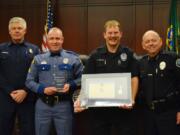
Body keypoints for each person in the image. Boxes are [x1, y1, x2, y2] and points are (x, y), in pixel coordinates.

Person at [74, 20, 139, 135]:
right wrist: (80, 100)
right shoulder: (95, 55)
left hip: (122, 109)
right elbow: (86, 80)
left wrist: (132, 99)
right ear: (104, 35)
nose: (113, 36)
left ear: (121, 34)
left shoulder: (128, 54)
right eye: (110, 33)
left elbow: (134, 78)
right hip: (100, 110)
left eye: (115, 32)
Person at [25, 27, 84, 135]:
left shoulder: (73, 58)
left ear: (62, 39)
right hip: (42, 105)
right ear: (47, 40)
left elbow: (84, 78)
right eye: (51, 38)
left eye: (58, 38)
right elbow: (29, 81)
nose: (55, 41)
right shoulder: (38, 59)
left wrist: (71, 85)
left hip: (64, 105)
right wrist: (43, 89)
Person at [0, 17, 40, 135]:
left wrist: (25, 91)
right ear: (9, 31)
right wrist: (10, 91)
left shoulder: (34, 49)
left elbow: (38, 73)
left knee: (28, 130)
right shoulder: (1, 49)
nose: (16, 31)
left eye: (19, 28)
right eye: (14, 28)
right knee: (4, 129)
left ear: (25, 30)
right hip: (5, 98)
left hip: (27, 97)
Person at [138, 30, 180, 135]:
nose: (151, 43)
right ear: (143, 45)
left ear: (161, 42)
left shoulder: (172, 58)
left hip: (169, 113)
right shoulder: (141, 63)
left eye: (153, 40)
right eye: (147, 41)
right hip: (148, 115)